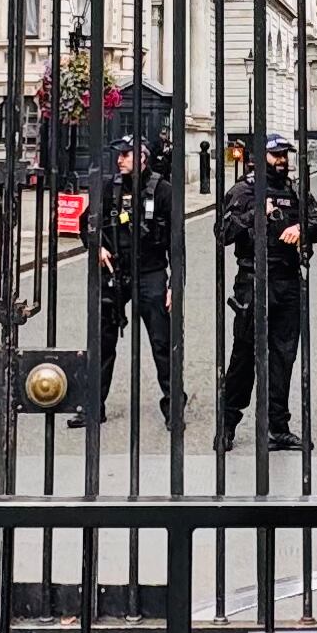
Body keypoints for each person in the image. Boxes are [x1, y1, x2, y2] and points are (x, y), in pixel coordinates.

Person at [213, 133, 317, 453]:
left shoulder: (294, 190)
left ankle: (278, 427)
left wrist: (302, 228)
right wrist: (255, 213)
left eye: (285, 154)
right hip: (253, 282)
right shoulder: (242, 191)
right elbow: (223, 233)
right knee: (244, 357)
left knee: (283, 357)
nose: (282, 160)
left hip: (288, 282)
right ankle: (227, 424)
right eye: (276, 155)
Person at [82, 128, 184, 430]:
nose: (120, 160)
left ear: (142, 158)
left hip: (151, 273)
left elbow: (176, 244)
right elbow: (86, 222)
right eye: (119, 155)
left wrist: (175, 284)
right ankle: (93, 404)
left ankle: (173, 405)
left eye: (125, 155)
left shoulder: (163, 190)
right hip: (115, 271)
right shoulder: (108, 187)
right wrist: (96, 245)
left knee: (162, 343)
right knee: (102, 342)